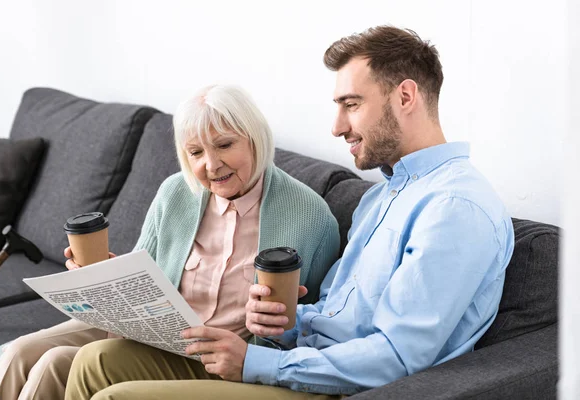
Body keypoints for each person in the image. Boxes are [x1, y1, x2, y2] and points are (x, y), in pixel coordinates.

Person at [63, 25, 515, 400]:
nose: (337, 127)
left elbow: (398, 356)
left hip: (337, 387)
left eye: (351, 105)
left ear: (405, 96)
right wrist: (285, 323)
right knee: (96, 362)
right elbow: (334, 314)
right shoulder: (383, 198)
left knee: (113, 396)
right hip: (300, 359)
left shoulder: (455, 208)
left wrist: (260, 360)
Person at [0, 84, 340, 400]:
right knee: (19, 353)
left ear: (255, 137)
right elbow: (144, 270)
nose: (211, 165)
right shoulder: (175, 193)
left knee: (55, 363)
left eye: (224, 145)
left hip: (214, 353)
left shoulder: (310, 216)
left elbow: (317, 323)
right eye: (196, 152)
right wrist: (100, 278)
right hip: (152, 328)